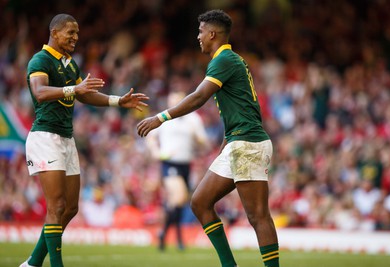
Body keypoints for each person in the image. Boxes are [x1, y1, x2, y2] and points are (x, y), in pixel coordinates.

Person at [137, 9, 279, 267]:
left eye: (201, 31)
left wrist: (160, 118)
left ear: (212, 33)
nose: (198, 36)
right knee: (200, 202)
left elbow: (198, 97)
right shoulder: (231, 60)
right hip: (238, 142)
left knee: (258, 216)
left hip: (247, 143)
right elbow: (246, 108)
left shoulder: (224, 60)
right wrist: (227, 143)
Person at [21, 14, 149, 267]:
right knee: (56, 205)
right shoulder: (40, 60)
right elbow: (40, 92)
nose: (75, 38)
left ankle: (33, 263)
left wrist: (116, 100)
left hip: (67, 139)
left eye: (77, 33)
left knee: (70, 209)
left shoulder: (70, 64)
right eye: (70, 32)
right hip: (45, 137)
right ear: (54, 32)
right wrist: (73, 89)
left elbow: (85, 95)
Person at [146, 91, 210, 251]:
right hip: (169, 163)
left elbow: (204, 143)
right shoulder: (164, 118)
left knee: (178, 202)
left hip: (186, 164)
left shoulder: (193, 119)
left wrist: (199, 141)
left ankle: (166, 234)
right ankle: (177, 236)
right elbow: (151, 137)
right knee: (179, 196)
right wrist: (156, 152)